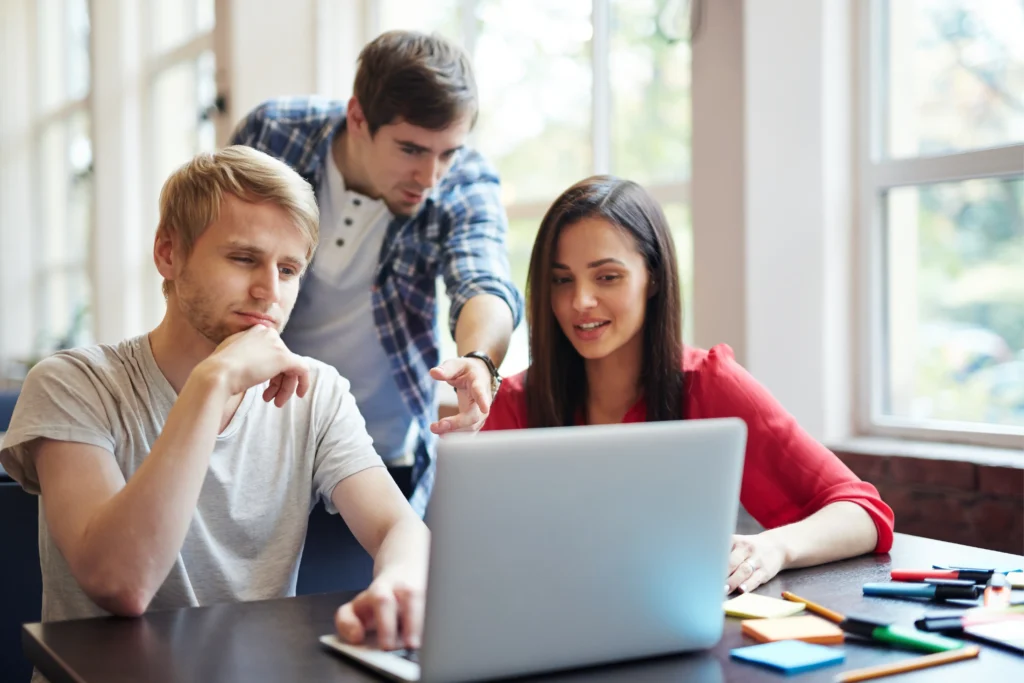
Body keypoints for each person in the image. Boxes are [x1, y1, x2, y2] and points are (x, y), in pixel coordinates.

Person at [0, 147, 427, 661]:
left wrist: (398, 581)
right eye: (244, 258)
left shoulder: (319, 392)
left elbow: (399, 528)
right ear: (168, 254)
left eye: (288, 270)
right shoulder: (74, 383)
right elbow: (121, 584)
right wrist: (214, 380)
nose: (269, 291)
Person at [481, 175, 895, 594]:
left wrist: (774, 548)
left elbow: (864, 514)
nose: (580, 301)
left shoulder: (709, 385)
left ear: (654, 278)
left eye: (607, 277)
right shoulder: (514, 405)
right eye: (562, 279)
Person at [229, 30, 523, 515]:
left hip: (378, 456)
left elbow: (484, 279)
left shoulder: (464, 179)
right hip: (255, 442)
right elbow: (211, 260)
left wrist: (479, 360)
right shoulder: (273, 135)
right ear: (358, 118)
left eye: (446, 152)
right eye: (410, 149)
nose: (430, 178)